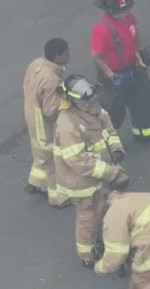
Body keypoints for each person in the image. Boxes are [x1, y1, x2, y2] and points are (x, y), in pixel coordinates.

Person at [50, 74, 128, 266]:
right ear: (72, 101)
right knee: (87, 217)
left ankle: (101, 241)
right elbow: (79, 161)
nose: (90, 103)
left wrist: (117, 150)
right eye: (85, 101)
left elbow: (108, 129)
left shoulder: (94, 108)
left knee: (103, 209)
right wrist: (112, 173)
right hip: (81, 182)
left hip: (100, 174)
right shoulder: (67, 125)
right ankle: (87, 255)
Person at [90, 0, 150, 144]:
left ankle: (146, 133)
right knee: (112, 110)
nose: (124, 14)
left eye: (126, 10)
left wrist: (139, 52)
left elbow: (135, 32)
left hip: (133, 67)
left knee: (143, 100)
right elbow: (97, 56)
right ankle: (106, 145)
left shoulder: (129, 17)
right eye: (120, 12)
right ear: (109, 10)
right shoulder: (101, 30)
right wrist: (110, 75)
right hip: (114, 76)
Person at [20, 38, 71, 201]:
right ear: (57, 57)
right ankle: (58, 198)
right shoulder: (51, 79)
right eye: (66, 53)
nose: (69, 55)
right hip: (44, 126)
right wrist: (68, 103)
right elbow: (50, 110)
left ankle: (36, 182)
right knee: (53, 161)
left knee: (41, 154)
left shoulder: (36, 64)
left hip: (31, 114)